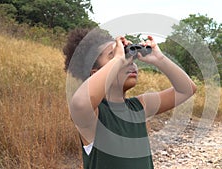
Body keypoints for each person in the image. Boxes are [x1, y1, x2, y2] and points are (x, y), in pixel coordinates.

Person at [63, 27, 196, 169]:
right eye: (112, 56)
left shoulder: (139, 107)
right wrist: (119, 59)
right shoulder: (94, 117)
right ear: (96, 73)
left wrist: (159, 59)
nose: (129, 61)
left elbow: (187, 89)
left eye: (129, 56)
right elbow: (80, 104)